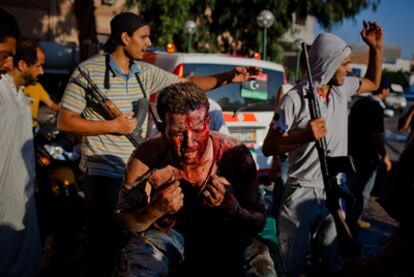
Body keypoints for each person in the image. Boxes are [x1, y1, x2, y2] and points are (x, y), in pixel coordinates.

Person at [57, 12, 259, 276]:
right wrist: (112, 126)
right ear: (124, 37)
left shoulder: (144, 73)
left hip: (139, 163)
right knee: (108, 241)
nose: (148, 42)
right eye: (143, 37)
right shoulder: (88, 72)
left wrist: (229, 76)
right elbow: (65, 121)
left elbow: (188, 85)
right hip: (104, 168)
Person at [114, 82, 276, 276]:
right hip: (169, 236)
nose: (189, 143)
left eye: (198, 129)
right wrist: (153, 210)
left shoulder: (233, 154)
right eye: (178, 133)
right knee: (138, 257)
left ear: (208, 121)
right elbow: (124, 223)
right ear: (163, 128)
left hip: (226, 235)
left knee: (259, 257)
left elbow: (258, 222)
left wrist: (232, 207)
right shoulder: (147, 157)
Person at [262, 21, 383, 276]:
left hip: (334, 190)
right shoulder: (295, 98)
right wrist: (304, 136)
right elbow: (269, 146)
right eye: (344, 64)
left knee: (331, 263)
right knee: (290, 266)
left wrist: (376, 48)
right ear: (328, 64)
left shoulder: (342, 90)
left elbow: (373, 81)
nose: (348, 69)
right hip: (301, 192)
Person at [0, 26, 44, 277]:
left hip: (22, 192)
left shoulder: (22, 96)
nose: (41, 72)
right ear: (21, 64)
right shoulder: (2, 91)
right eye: (37, 65)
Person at [347, 76, 392, 232]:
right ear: (385, 90)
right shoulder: (377, 107)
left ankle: (347, 216)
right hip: (367, 155)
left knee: (352, 187)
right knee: (364, 191)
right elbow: (376, 134)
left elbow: (349, 124)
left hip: (352, 151)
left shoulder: (359, 103)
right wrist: (385, 156)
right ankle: (354, 220)